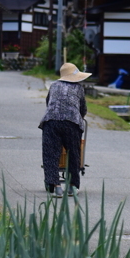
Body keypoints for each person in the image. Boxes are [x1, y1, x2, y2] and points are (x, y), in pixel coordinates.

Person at [39, 62, 90, 197]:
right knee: (74, 153)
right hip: (72, 123)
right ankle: (73, 186)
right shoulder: (79, 88)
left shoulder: (54, 85)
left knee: (51, 153)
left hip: (51, 121)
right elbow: (83, 108)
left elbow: (49, 102)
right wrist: (79, 117)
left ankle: (56, 186)